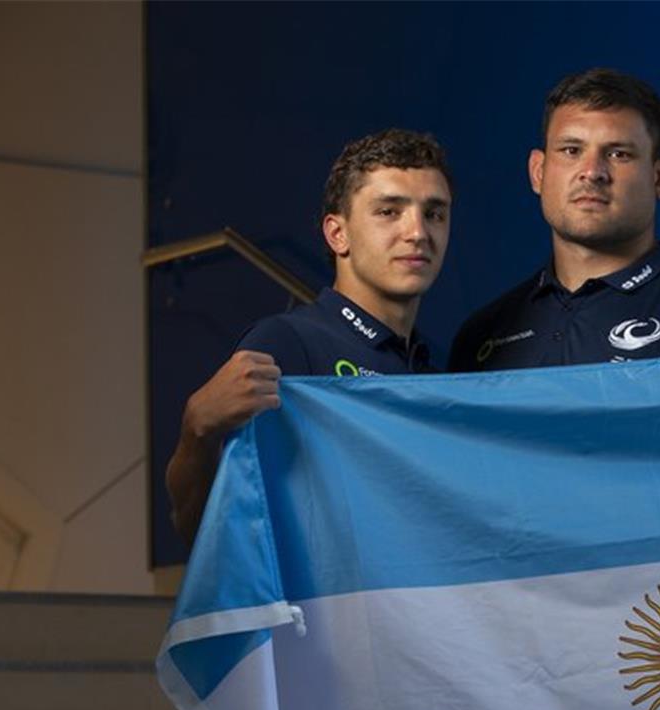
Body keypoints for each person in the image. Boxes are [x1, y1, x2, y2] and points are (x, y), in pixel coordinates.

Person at [167, 129, 452, 542]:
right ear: (338, 234)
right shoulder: (287, 345)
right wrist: (197, 427)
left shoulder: (436, 377)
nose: (418, 232)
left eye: (435, 213)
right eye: (389, 211)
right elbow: (196, 527)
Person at [449, 68, 660, 371]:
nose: (592, 172)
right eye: (571, 150)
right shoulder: (482, 336)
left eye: (618, 154)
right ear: (538, 172)